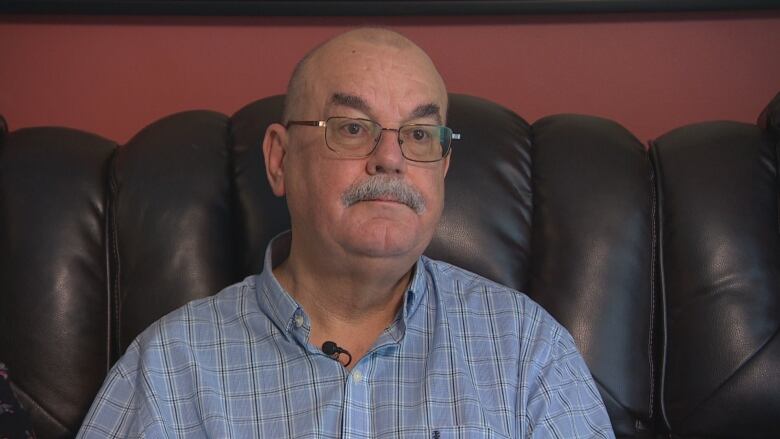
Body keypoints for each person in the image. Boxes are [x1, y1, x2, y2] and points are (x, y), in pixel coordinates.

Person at [78, 28, 614, 438]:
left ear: (443, 167)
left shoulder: (527, 351)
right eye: (353, 128)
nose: (390, 159)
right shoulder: (170, 367)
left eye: (420, 135)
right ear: (280, 159)